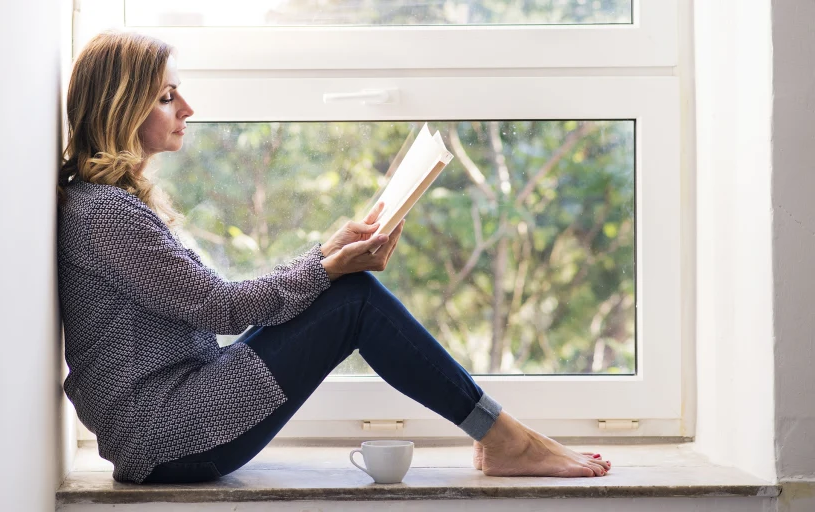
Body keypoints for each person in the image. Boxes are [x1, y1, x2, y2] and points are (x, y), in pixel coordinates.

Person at [56, 30, 611, 484]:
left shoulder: (109, 204)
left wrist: (327, 254)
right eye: (166, 96)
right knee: (355, 300)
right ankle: (506, 441)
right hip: (168, 436)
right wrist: (327, 267)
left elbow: (218, 303)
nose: (188, 107)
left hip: (175, 414)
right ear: (121, 107)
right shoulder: (106, 213)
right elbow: (222, 308)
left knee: (347, 292)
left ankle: (503, 438)